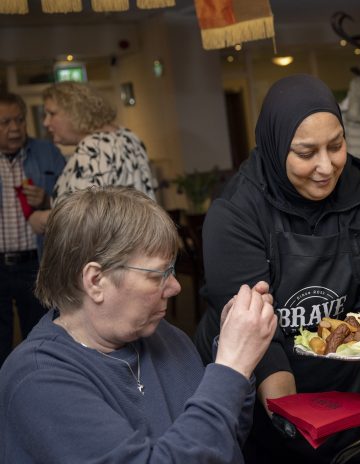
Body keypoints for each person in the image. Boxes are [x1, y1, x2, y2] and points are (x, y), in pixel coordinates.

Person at [194, 74, 360, 463]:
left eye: (336, 146)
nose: (326, 166)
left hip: (343, 384)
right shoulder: (236, 212)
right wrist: (292, 418)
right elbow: (256, 335)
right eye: (306, 153)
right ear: (275, 148)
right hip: (264, 388)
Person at [0, 186, 276, 462]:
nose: (176, 287)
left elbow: (224, 441)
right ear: (96, 281)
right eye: (159, 274)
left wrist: (235, 361)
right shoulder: (38, 379)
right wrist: (230, 368)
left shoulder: (166, 337)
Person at [28, 81, 157, 235]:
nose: (46, 122)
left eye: (52, 113)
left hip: (108, 254)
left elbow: (84, 218)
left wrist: (41, 218)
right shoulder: (128, 137)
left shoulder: (92, 148)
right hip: (139, 244)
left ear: (75, 112)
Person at [0, 92, 65, 366]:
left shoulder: (47, 152)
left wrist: (48, 200)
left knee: (41, 340)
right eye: (5, 122)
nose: (15, 128)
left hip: (37, 264)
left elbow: (73, 203)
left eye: (19, 120)